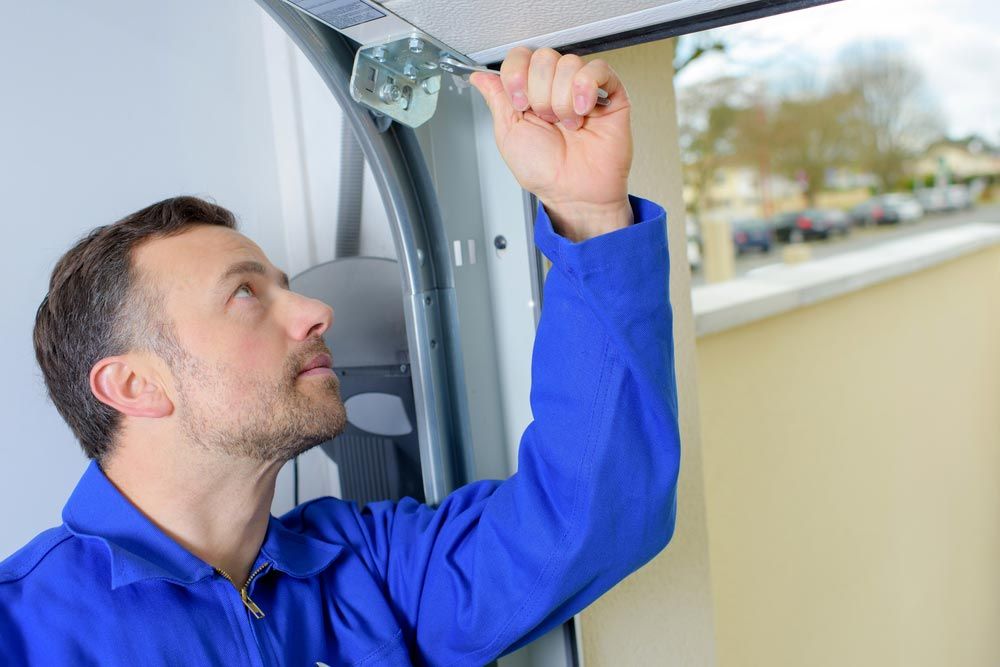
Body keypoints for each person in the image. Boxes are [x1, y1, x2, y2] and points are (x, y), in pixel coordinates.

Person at [0, 47, 680, 665]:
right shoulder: (20, 630)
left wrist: (586, 212)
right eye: (244, 294)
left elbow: (588, 513)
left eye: (285, 288)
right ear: (135, 384)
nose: (316, 311)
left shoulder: (363, 565)